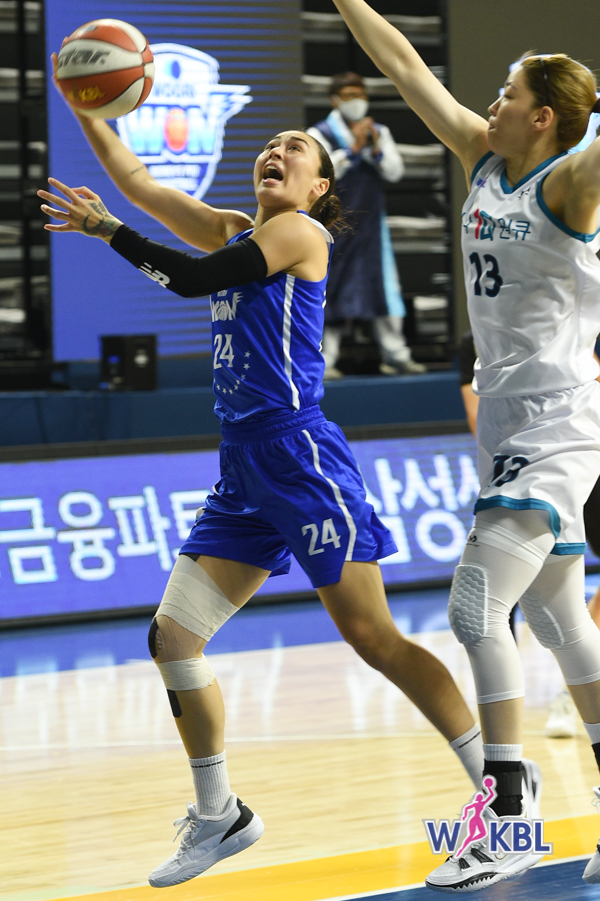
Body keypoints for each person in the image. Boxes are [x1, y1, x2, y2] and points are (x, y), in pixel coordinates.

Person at [38, 121, 491, 888]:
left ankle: (498, 785)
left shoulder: (299, 233)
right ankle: (219, 814)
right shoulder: (234, 229)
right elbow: (140, 185)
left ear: (319, 186)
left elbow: (189, 280)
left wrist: (106, 231)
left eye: (296, 147)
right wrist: (87, 110)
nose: (276, 151)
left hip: (300, 456)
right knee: (173, 639)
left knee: (373, 636)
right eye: (270, 145)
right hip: (243, 466)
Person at [330, 0, 600, 891]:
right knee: (561, 620)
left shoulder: (571, 181)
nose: (491, 100)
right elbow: (405, 65)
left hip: (556, 426)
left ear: (544, 116)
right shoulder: (483, 156)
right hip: (508, 423)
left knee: (478, 609)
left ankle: (510, 816)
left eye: (507, 92)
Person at [306, 71, 426, 378]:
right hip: (334, 226)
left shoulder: (379, 132)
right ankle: (324, 361)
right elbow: (319, 175)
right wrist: (353, 149)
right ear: (335, 100)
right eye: (349, 95)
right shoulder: (318, 134)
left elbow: (395, 171)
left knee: (383, 288)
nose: (356, 101)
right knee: (330, 288)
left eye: (360, 95)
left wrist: (374, 148)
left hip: (372, 227)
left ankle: (396, 356)